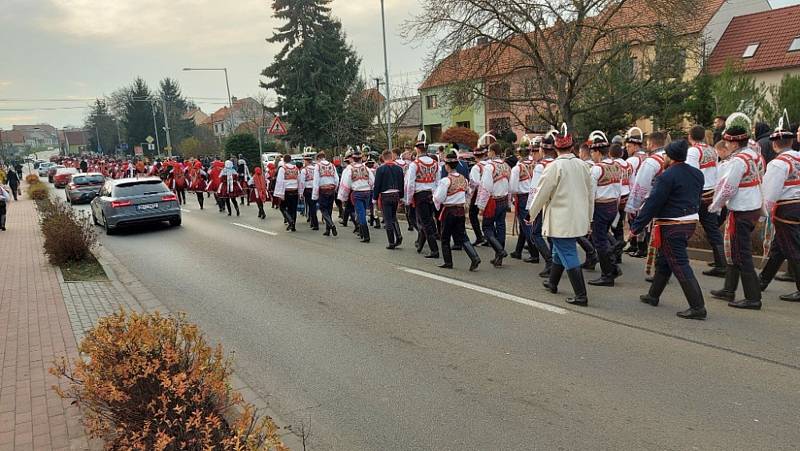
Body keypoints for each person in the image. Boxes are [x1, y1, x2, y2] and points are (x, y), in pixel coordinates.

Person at [632, 140, 707, 320]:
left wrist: (636, 227)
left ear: (671, 157)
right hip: (689, 221)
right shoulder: (697, 173)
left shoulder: (666, 176)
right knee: (665, 259)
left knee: (680, 264)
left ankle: (698, 306)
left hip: (672, 224)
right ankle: (653, 295)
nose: (663, 157)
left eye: (665, 154)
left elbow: (653, 203)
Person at [529, 126, 593, 306]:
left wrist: (531, 213)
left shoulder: (554, 167)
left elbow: (541, 194)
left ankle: (581, 295)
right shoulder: (583, 165)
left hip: (560, 219)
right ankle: (552, 282)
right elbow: (590, 195)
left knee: (568, 253)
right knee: (559, 251)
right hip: (577, 217)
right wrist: (589, 217)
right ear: (572, 147)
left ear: (556, 149)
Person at [709, 113, 765, 310]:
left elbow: (728, 187)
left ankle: (753, 297)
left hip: (742, 208)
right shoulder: (754, 154)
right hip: (753, 206)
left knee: (742, 253)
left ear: (733, 143)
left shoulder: (737, 161)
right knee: (734, 249)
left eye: (727, 142)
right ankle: (728, 289)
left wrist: (715, 205)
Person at [758, 120, 800, 302]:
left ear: (774, 144)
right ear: (791, 142)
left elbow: (770, 193)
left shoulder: (777, 164)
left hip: (787, 208)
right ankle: (763, 280)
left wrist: (761, 216)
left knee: (793, 248)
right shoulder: (798, 157)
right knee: (779, 247)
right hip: (797, 205)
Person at [685, 125, 725, 277]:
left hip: (699, 194)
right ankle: (722, 264)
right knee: (713, 229)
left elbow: (692, 174)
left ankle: (673, 262)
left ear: (690, 136)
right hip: (711, 193)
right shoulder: (711, 149)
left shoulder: (694, 151)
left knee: (683, 227)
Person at [587, 131, 623, 287]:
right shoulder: (617, 165)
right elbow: (619, 189)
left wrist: (588, 217)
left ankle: (607, 274)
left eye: (592, 152)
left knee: (599, 241)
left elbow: (590, 194)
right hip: (613, 205)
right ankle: (613, 267)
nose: (592, 156)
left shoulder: (597, 169)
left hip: (600, 206)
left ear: (596, 152)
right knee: (604, 238)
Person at [434, 151, 481, 271]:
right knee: (463, 236)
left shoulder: (446, 181)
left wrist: (434, 197)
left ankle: (448, 262)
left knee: (445, 237)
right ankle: (474, 257)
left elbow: (439, 197)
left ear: (447, 166)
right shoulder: (464, 179)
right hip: (460, 210)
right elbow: (469, 192)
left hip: (449, 210)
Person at [405, 133, 440, 257]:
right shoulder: (435, 163)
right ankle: (420, 244)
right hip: (432, 194)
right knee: (429, 219)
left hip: (420, 195)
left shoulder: (415, 164)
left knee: (425, 222)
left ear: (417, 149)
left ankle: (434, 250)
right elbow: (438, 182)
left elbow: (410, 184)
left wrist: (408, 200)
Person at [509, 141, 538, 262]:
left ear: (519, 154)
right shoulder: (535, 164)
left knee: (526, 225)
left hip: (523, 197)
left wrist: (512, 197)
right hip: (533, 195)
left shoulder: (517, 168)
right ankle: (518, 250)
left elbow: (513, 187)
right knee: (524, 224)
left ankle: (534, 253)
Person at [338, 147, 374, 242]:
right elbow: (372, 181)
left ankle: (366, 235)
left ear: (353, 159)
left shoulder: (350, 169)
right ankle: (362, 232)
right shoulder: (366, 167)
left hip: (357, 192)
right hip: (367, 192)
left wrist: (343, 197)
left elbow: (346, 184)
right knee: (362, 211)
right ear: (361, 158)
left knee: (360, 213)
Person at [373, 149, 404, 249]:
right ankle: (398, 236)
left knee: (387, 219)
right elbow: (401, 183)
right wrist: (401, 196)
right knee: (393, 216)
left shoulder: (380, 169)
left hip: (385, 195)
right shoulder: (399, 169)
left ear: (383, 158)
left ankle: (391, 241)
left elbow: (377, 185)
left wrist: (375, 197)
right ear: (392, 157)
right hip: (395, 194)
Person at [312, 151, 340, 237]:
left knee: (323, 209)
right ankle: (328, 230)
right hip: (331, 189)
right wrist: (335, 187)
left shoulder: (318, 166)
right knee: (329, 209)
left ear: (319, 158)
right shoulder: (332, 165)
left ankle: (331, 225)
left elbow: (316, 180)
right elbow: (336, 178)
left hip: (323, 189)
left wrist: (315, 194)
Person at [275, 154, 301, 231]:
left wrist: (279, 193)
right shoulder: (296, 168)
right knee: (293, 209)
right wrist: (300, 191)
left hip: (286, 191)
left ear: (284, 160)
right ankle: (293, 226)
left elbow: (280, 181)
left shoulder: (283, 168)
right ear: (291, 160)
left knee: (282, 207)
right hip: (295, 191)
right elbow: (299, 180)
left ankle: (290, 221)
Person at [300, 154, 319, 230]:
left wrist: (301, 193)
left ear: (306, 161)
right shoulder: (316, 169)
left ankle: (315, 223)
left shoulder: (304, 170)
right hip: (316, 189)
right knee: (314, 206)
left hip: (308, 190)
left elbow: (302, 182)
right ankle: (312, 222)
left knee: (311, 207)